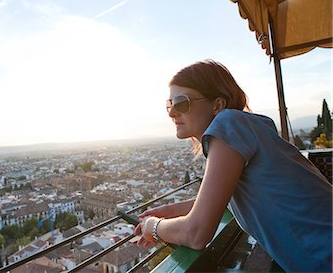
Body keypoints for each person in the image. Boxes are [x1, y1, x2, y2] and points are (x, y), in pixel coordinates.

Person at [134, 60, 332, 272]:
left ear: (217, 105)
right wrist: (170, 211)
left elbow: (196, 233)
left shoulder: (229, 123)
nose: (173, 113)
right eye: (169, 104)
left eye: (181, 103)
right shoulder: (249, 128)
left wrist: (152, 227)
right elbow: (225, 200)